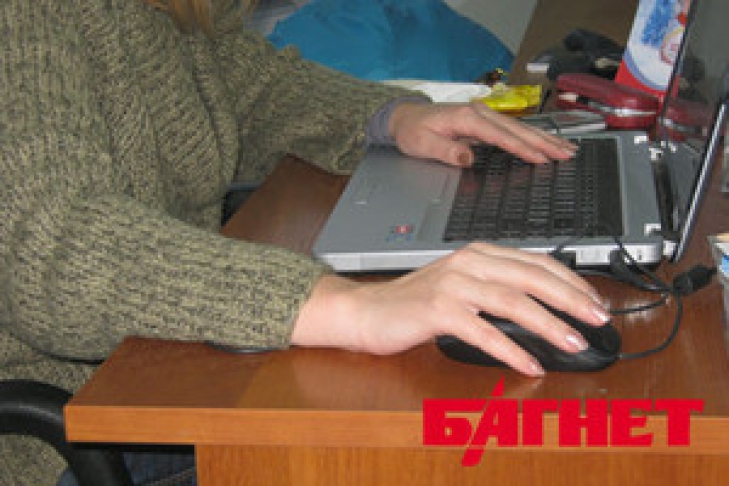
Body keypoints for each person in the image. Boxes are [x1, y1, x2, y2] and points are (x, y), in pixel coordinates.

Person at [0, 0, 611, 484]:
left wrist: (391, 118)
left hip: (156, 364)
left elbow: (247, 86)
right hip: (73, 430)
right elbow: (51, 246)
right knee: (455, 437)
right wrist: (349, 306)